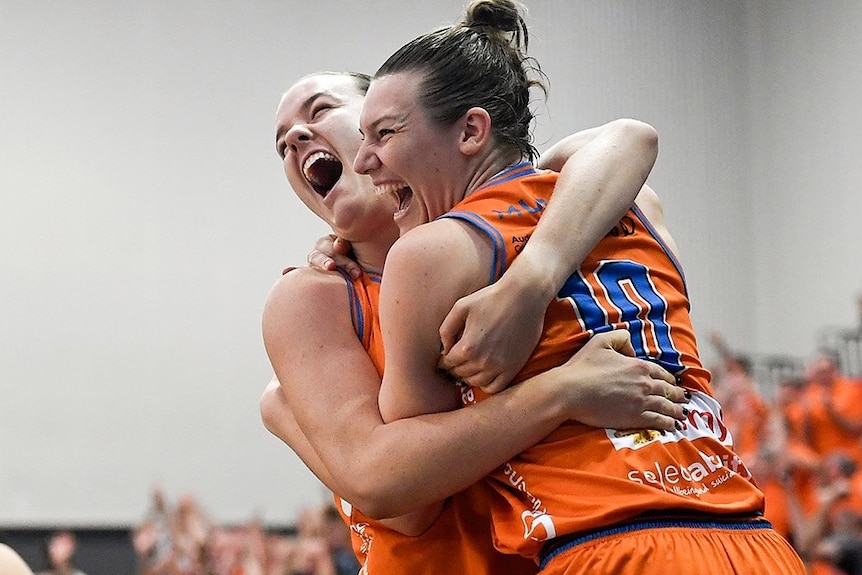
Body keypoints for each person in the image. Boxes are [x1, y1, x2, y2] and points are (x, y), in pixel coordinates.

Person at [352, 1, 807, 573]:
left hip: (607, 545)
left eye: (384, 134)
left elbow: (407, 496)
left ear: (471, 130)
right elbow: (630, 137)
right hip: (754, 541)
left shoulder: (427, 255)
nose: (365, 162)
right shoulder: (636, 203)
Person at [262, 69, 687, 574]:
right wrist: (560, 393)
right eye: (281, 146)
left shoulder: (519, 228)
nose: (294, 140)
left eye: (320, 109)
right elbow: (400, 505)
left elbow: (627, 140)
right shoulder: (316, 296)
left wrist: (532, 275)